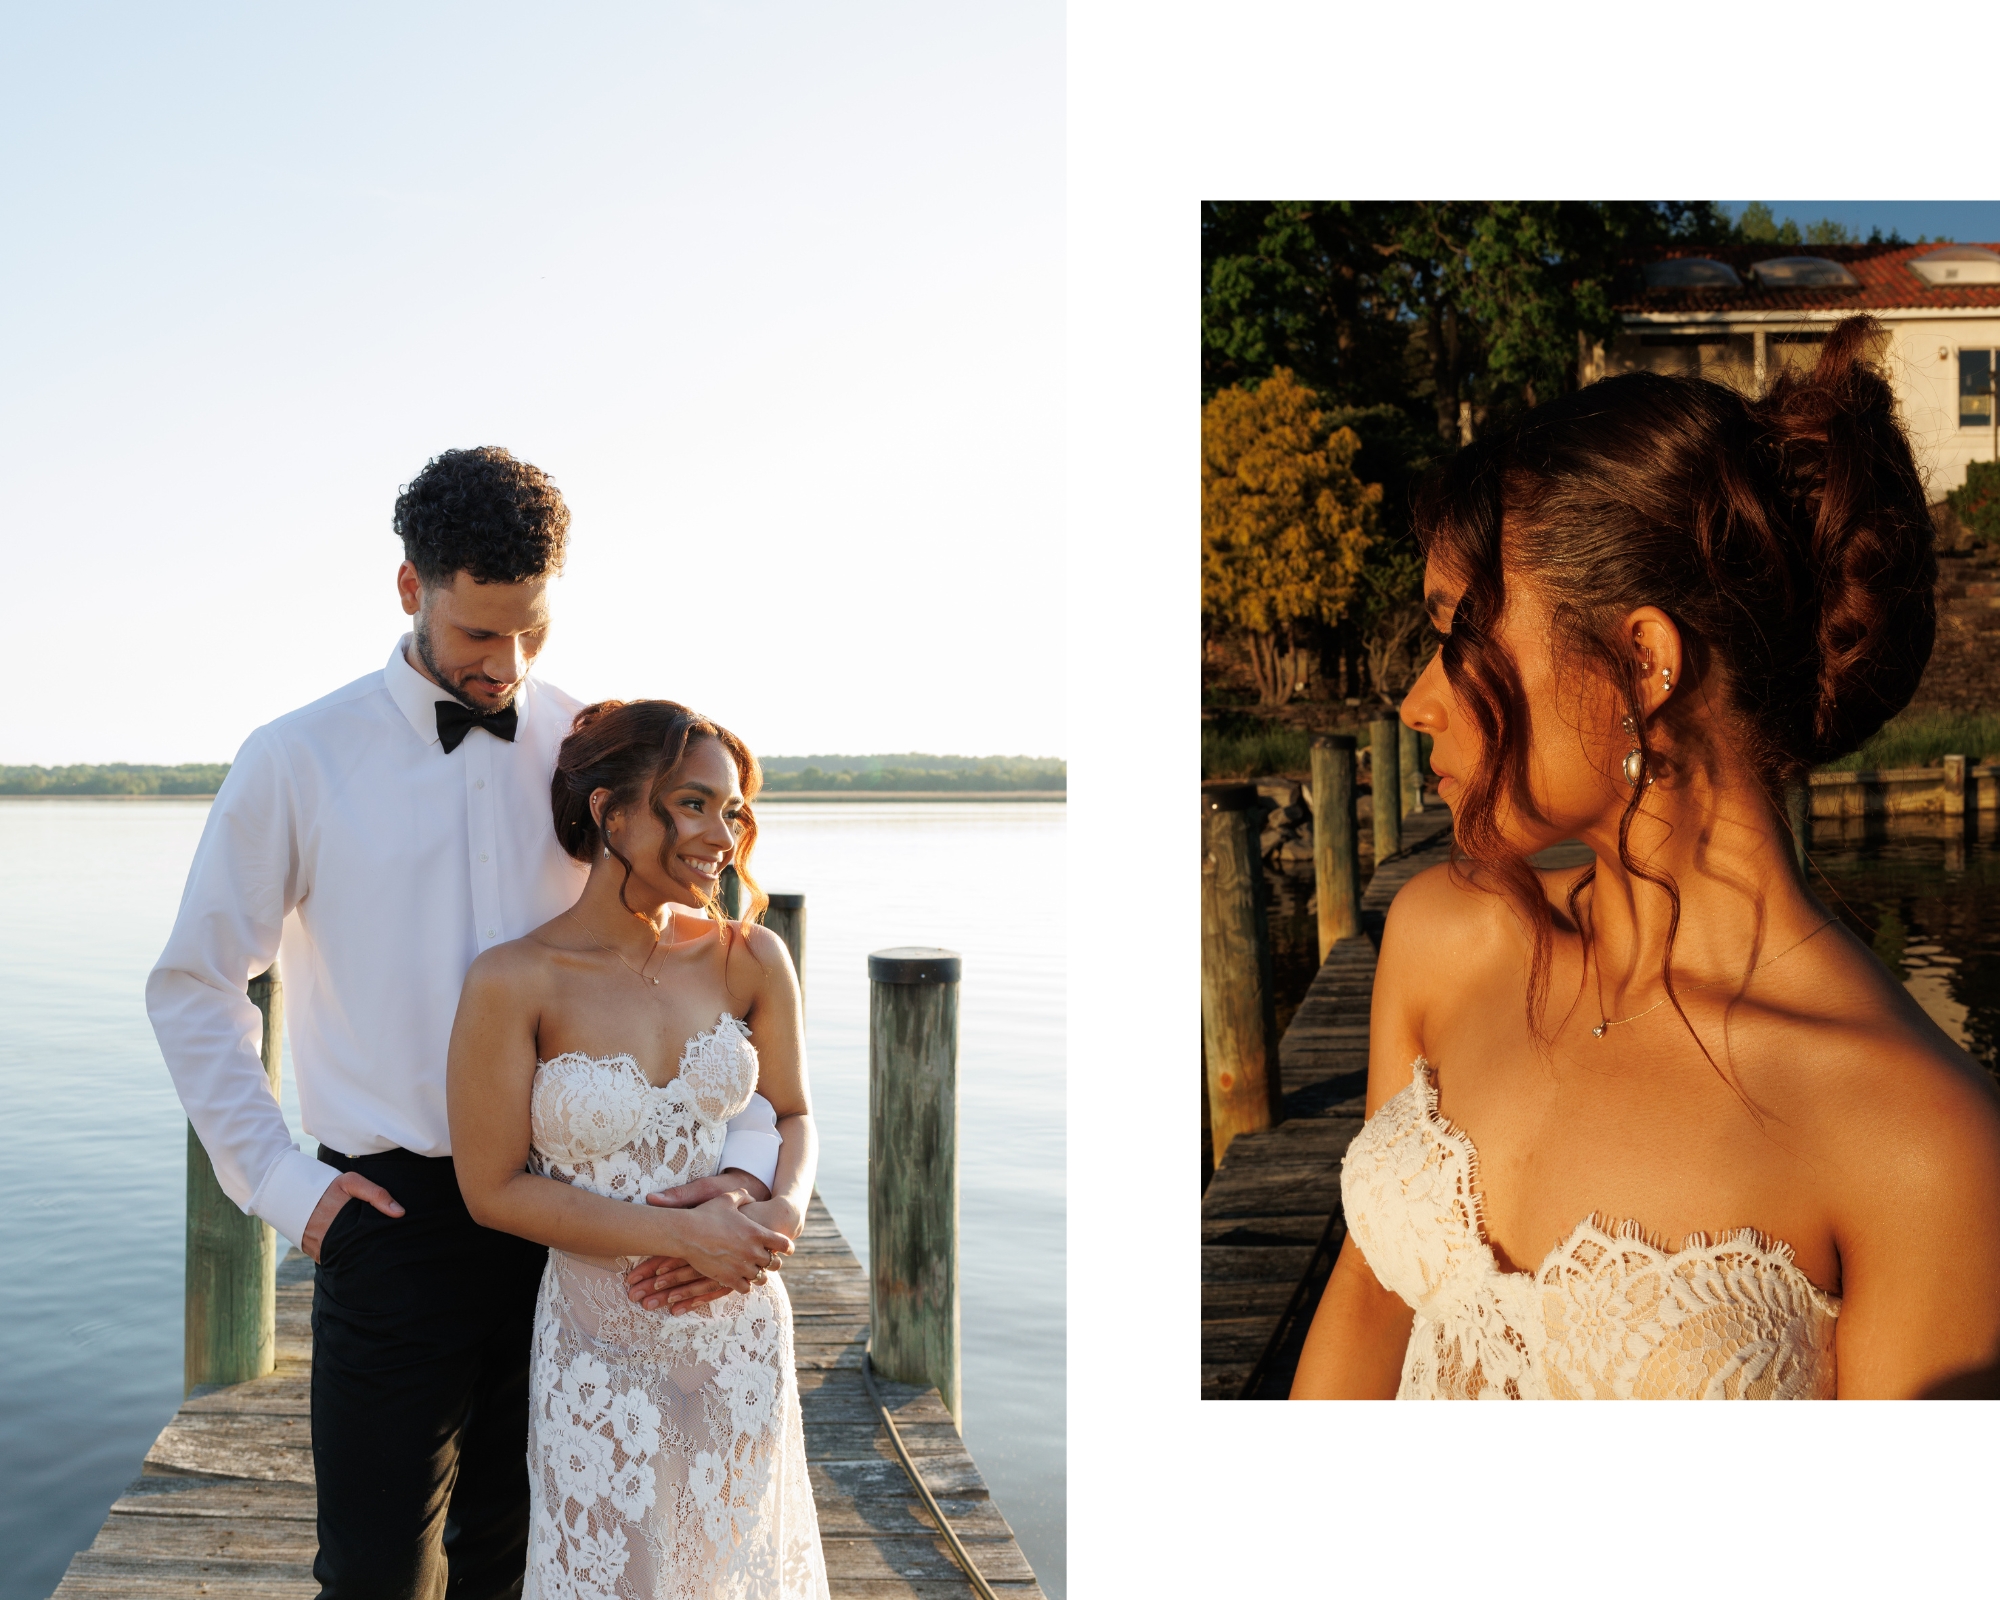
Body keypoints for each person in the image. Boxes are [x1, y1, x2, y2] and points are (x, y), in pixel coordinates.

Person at [1292, 316, 2000, 1401]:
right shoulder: (1443, 940)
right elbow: (1364, 1311)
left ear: (1639, 662)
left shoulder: (1919, 1138)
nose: (1416, 701)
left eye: (1458, 637)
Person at [147, 446, 793, 1596]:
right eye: (478, 633)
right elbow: (195, 985)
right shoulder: (295, 759)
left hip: (578, 1218)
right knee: (374, 1569)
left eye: (528, 632)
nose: (504, 665)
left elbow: (689, 957)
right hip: (392, 1216)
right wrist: (287, 1189)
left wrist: (741, 1167)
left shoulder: (593, 748)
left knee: (528, 1552)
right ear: (410, 589)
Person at [448, 699, 828, 1599]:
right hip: (597, 1348)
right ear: (611, 812)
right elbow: (492, 1189)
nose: (720, 836)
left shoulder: (750, 957)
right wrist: (680, 1237)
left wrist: (777, 1214)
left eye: (731, 812)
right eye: (692, 805)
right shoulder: (515, 979)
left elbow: (796, 1116)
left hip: (738, 1330)